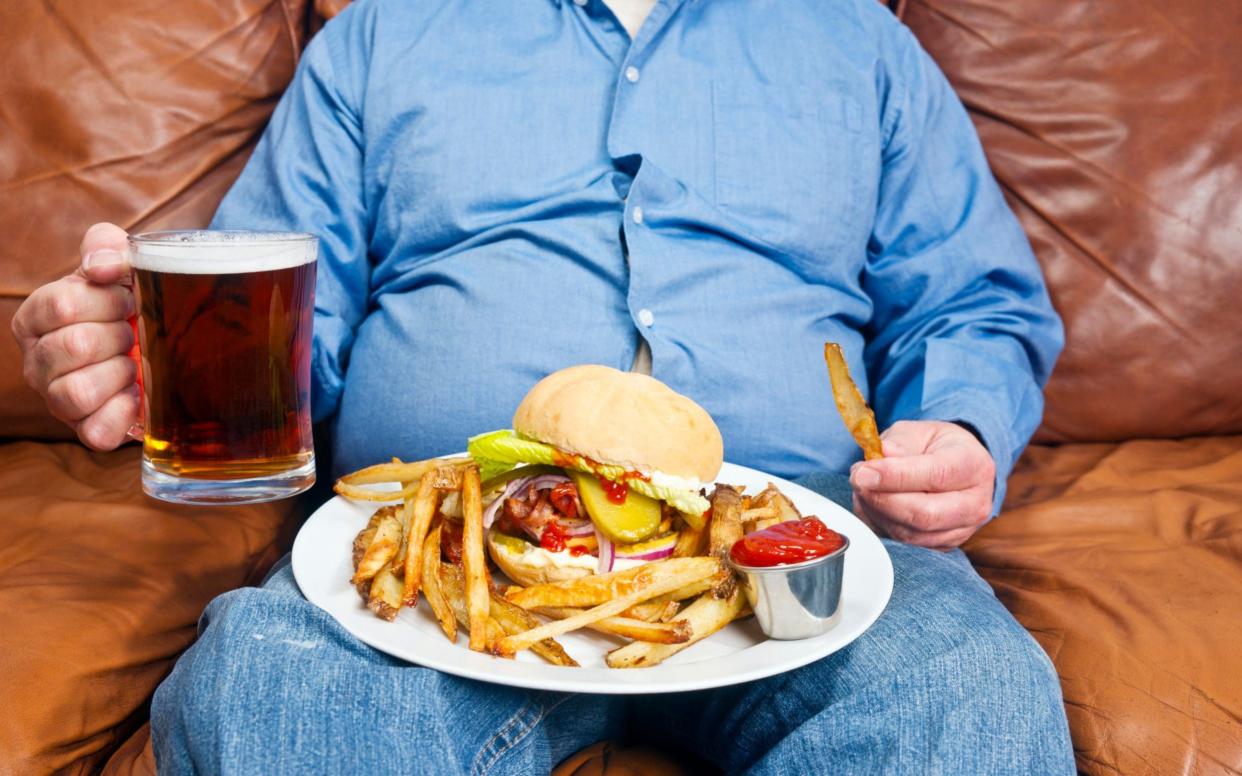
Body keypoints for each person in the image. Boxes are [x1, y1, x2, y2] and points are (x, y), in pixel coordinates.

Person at [11, 0, 1074, 772]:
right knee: (272, 691)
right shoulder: (378, 37)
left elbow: (972, 302)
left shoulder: (862, 45)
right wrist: (158, 360)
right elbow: (279, 332)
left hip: (801, 550)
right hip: (441, 569)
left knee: (966, 700)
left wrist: (959, 422)